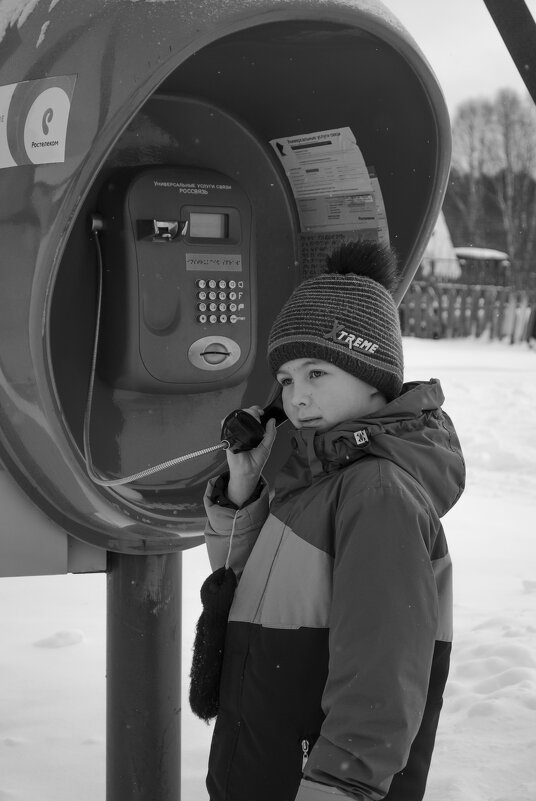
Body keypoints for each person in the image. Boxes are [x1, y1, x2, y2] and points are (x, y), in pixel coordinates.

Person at [201, 240, 465, 801]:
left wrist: (340, 785)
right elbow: (253, 591)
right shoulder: (312, 475)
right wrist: (245, 491)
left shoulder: (376, 491)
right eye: (289, 379)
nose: (298, 398)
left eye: (318, 372)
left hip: (322, 780)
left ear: (375, 377)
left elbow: (382, 669)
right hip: (263, 761)